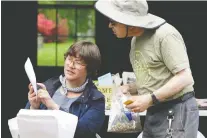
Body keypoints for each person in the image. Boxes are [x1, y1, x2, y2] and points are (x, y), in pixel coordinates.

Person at [95, 0, 199, 138]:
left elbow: (185, 77)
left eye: (113, 21)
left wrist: (150, 99)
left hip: (177, 110)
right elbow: (154, 77)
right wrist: (129, 88)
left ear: (129, 22)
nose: (109, 25)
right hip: (154, 111)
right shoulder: (135, 39)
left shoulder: (165, 35)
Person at [25, 40, 105, 138]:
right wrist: (34, 107)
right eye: (69, 59)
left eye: (78, 62)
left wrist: (54, 107)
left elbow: (84, 132)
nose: (71, 65)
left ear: (89, 69)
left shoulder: (96, 99)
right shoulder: (48, 86)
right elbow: (25, 125)